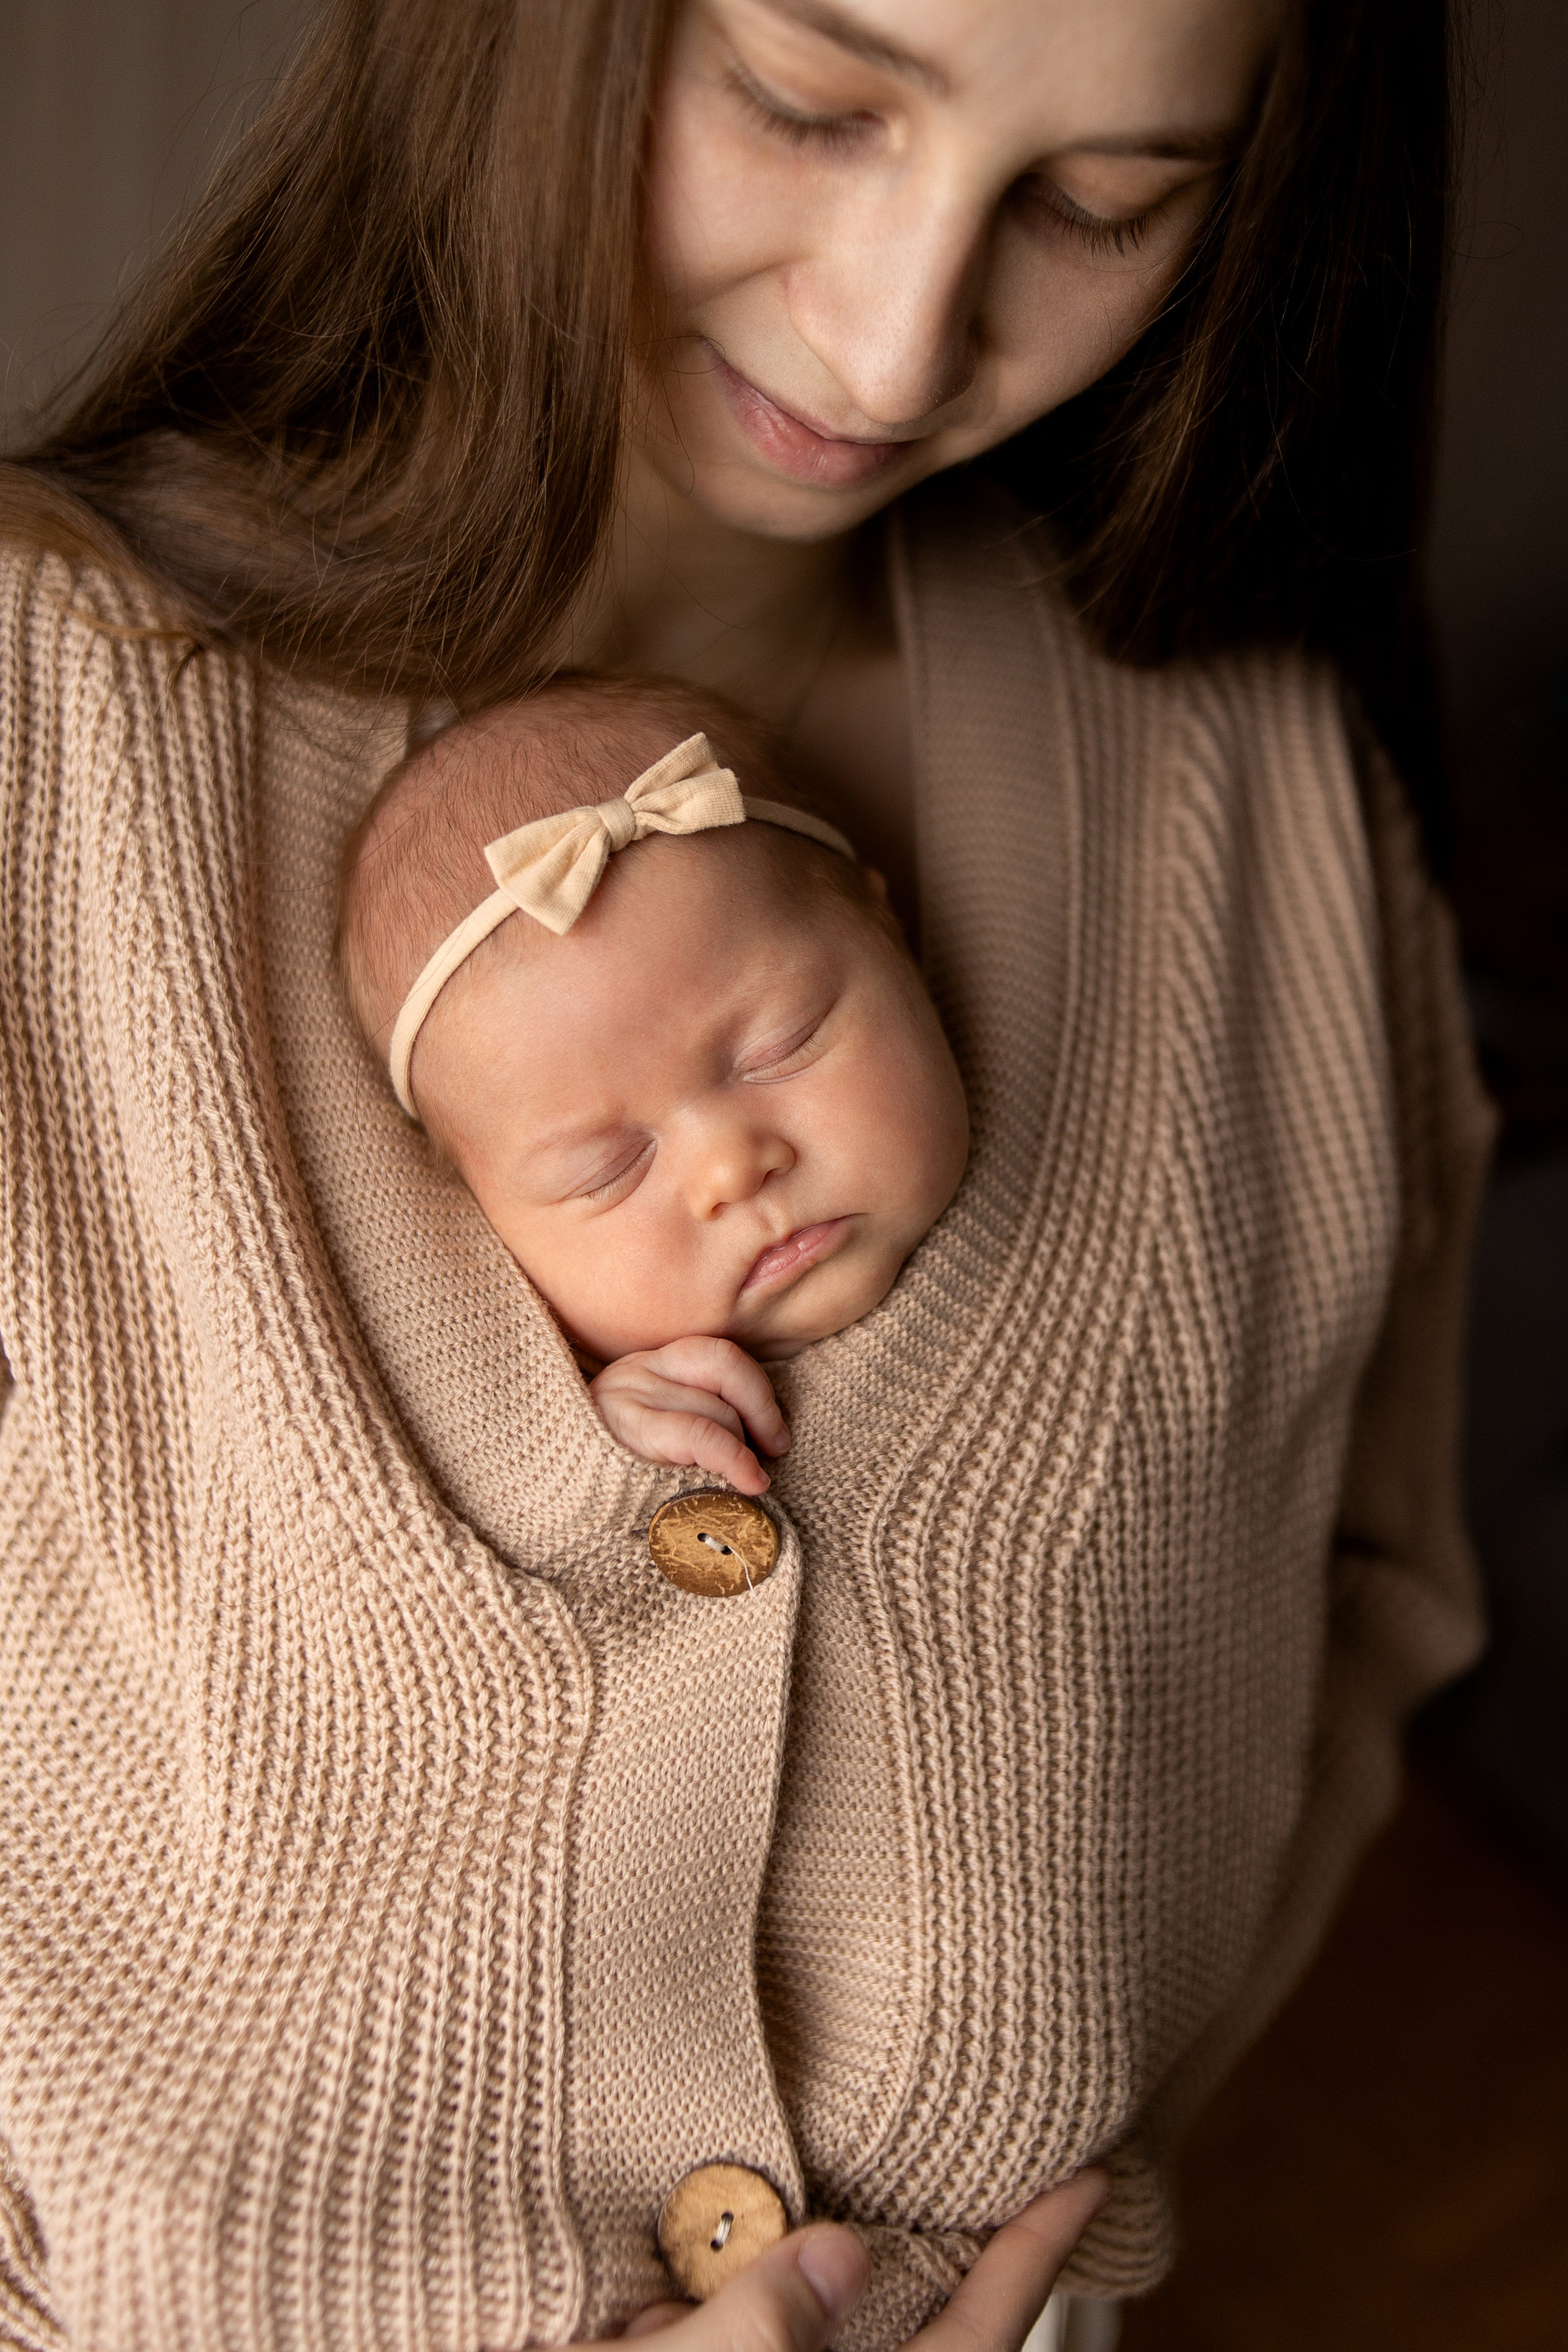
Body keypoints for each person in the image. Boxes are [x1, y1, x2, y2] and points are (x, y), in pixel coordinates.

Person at [0, 2, 1491, 2350]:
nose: (898, 336)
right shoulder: (44, 724)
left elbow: (1369, 1593)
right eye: (811, 102)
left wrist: (1090, 2179)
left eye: (1107, 202)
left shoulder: (1259, 798)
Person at [336, 677, 970, 1490]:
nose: (730, 1171)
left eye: (784, 1046)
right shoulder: (577, 1424)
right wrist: (603, 1441)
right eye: (610, 1167)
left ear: (893, 935)